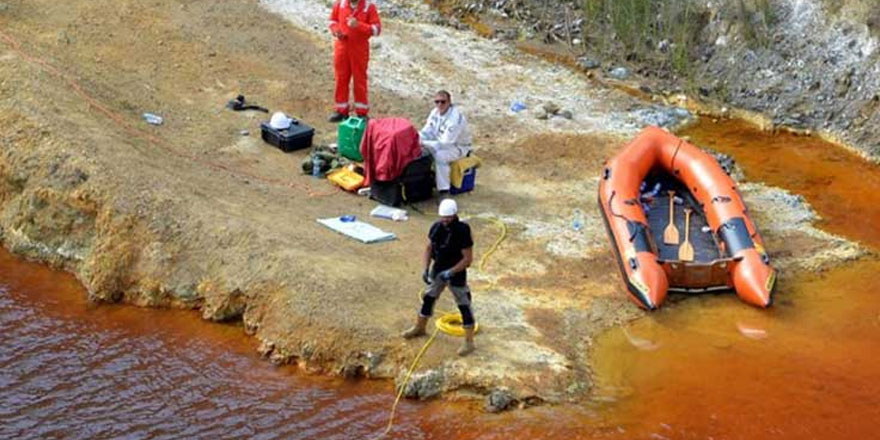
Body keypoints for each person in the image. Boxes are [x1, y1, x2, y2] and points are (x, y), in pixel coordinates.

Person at [402, 199, 476, 356]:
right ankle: (420, 327)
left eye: (448, 217)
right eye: (443, 217)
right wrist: (425, 268)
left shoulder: (463, 230)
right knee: (429, 298)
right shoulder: (437, 228)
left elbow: (467, 259)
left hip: (456, 272)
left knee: (463, 305)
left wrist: (452, 271)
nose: (445, 220)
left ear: (454, 215)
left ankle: (469, 342)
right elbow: (429, 248)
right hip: (439, 268)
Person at [328, 0, 382, 122]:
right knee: (341, 79)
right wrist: (336, 31)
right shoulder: (340, 4)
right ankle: (341, 111)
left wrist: (359, 25)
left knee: (360, 80)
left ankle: (362, 113)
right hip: (342, 48)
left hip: (359, 49)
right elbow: (332, 21)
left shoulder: (369, 7)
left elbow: (377, 30)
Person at [419, 90, 473, 194]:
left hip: (458, 147)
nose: (439, 104)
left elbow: (446, 143)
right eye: (437, 102)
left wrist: (424, 143)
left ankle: (444, 189)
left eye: (443, 102)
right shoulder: (435, 112)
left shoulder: (455, 119)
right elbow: (426, 131)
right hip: (440, 142)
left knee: (440, 156)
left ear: (449, 102)